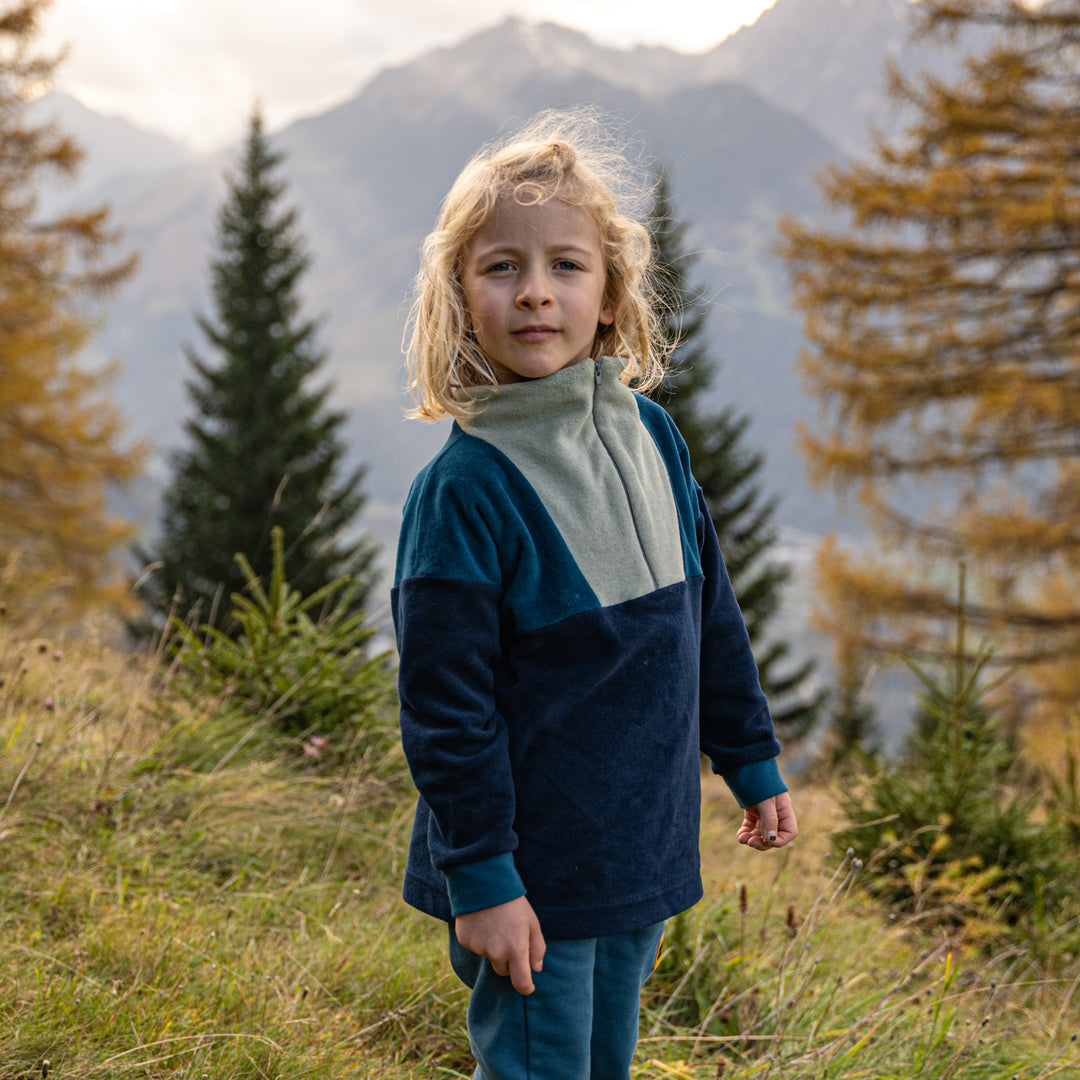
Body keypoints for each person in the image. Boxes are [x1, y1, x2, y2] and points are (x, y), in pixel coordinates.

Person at [392, 108, 798, 1080]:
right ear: (461, 294)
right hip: (529, 876)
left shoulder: (653, 440)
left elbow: (707, 620)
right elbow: (445, 714)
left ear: (611, 295)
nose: (536, 292)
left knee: (605, 1062)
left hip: (638, 857)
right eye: (502, 267)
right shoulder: (466, 490)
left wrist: (751, 757)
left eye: (566, 266)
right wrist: (483, 879)